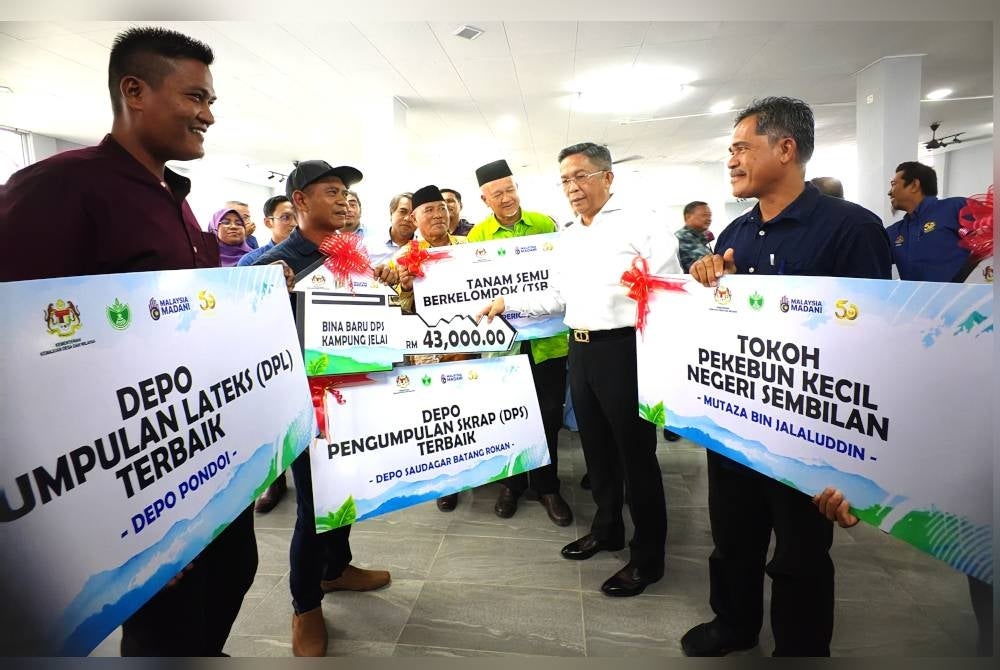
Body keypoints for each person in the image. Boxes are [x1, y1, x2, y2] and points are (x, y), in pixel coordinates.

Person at [0, 26, 264, 657]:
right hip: (125, 474)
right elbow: (22, 358)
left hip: (197, 453)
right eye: (196, 97)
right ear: (134, 90)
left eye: (211, 101)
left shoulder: (175, 201)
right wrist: (112, 526)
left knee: (232, 574)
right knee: (165, 626)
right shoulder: (60, 187)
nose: (208, 114)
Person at [684, 97, 892, 657]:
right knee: (731, 538)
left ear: (785, 148)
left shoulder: (851, 229)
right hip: (736, 420)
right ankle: (733, 623)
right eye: (729, 149)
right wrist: (710, 278)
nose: (731, 160)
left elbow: (879, 342)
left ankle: (799, 648)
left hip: (811, 432)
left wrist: (858, 462)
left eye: (741, 147)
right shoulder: (735, 231)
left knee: (800, 552)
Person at [480, 142, 680, 597]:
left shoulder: (641, 225)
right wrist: (507, 303)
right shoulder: (568, 235)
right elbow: (555, 297)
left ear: (607, 177)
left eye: (581, 176)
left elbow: (669, 291)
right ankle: (606, 528)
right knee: (597, 452)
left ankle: (648, 557)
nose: (573, 187)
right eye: (565, 180)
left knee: (636, 458)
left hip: (624, 350)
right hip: (581, 350)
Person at [815, 161, 992, 658]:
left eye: (895, 181)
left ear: (915, 184)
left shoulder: (959, 213)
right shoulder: (889, 233)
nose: (889, 188)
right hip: (933, 355)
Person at [254, 160, 395, 656]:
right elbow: (228, 319)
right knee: (314, 507)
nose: (343, 200)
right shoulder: (272, 263)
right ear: (299, 202)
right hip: (304, 406)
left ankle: (336, 569)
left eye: (347, 193)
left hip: (354, 396)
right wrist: (265, 291)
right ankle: (305, 607)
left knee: (347, 488)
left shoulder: (348, 255)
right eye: (331, 191)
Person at [461, 159, 572, 526]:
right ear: (484, 198)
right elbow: (467, 289)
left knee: (548, 415)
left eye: (511, 189)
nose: (507, 198)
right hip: (501, 346)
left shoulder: (544, 225)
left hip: (547, 343)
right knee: (506, 416)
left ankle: (547, 486)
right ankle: (511, 485)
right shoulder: (477, 236)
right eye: (498, 193)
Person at [885, 161, 971, 282]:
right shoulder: (894, 232)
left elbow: (989, 245)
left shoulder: (956, 208)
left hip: (963, 299)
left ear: (914, 185)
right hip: (915, 300)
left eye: (894, 184)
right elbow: (871, 259)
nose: (889, 192)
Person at [238, 195, 296, 268]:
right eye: (285, 217)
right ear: (268, 222)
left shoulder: (311, 253)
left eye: (297, 216)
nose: (294, 223)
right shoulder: (250, 261)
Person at [367, 192, 415, 265]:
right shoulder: (368, 246)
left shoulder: (426, 248)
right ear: (391, 213)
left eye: (413, 215)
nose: (407, 218)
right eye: (402, 212)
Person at [675, 200, 714, 273]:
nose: (709, 219)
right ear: (688, 217)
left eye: (710, 215)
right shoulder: (684, 237)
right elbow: (709, 265)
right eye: (704, 215)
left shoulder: (698, 237)